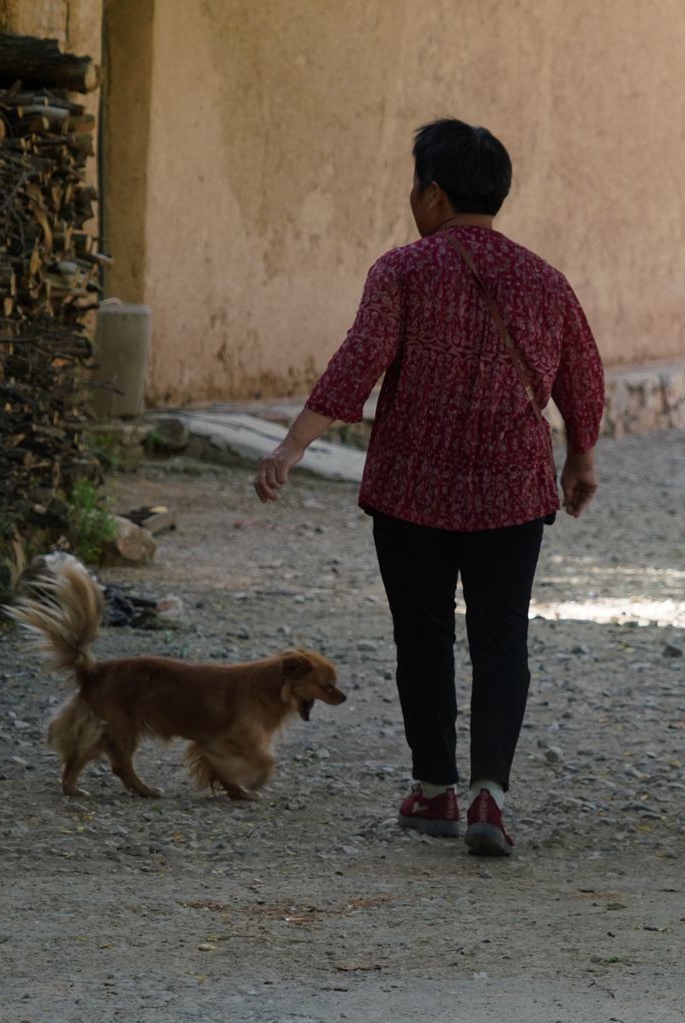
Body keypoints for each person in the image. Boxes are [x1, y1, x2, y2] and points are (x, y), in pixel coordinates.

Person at [254, 118, 604, 857]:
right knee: (502, 637)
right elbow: (583, 377)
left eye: (416, 184)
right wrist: (582, 459)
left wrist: (292, 446)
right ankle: (492, 798)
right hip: (511, 487)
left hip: (412, 487)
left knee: (424, 636)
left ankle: (435, 789)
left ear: (434, 194)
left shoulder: (403, 270)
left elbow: (358, 364)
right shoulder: (545, 281)